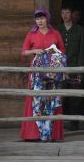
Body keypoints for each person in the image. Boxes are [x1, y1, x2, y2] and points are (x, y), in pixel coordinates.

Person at [21, 8, 66, 141]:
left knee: (51, 98)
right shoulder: (31, 34)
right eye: (37, 19)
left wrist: (55, 53)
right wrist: (34, 50)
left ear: (47, 19)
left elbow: (63, 49)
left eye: (42, 18)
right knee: (36, 99)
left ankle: (51, 134)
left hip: (52, 71)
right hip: (36, 73)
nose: (39, 21)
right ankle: (33, 134)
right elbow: (23, 52)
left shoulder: (55, 33)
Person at [57, 7, 84, 130]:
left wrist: (81, 71)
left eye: (67, 12)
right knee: (60, 96)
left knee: (75, 97)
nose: (65, 15)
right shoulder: (57, 30)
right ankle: (58, 123)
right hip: (60, 69)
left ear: (72, 14)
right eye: (63, 12)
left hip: (75, 68)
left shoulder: (80, 30)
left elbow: (82, 51)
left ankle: (74, 123)